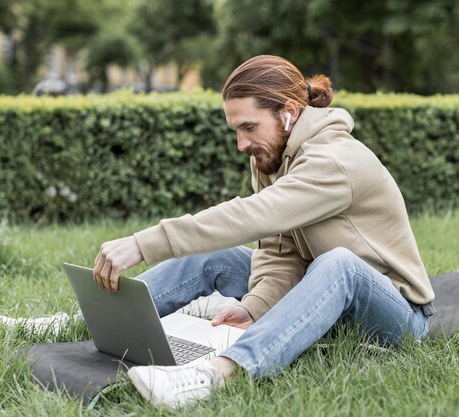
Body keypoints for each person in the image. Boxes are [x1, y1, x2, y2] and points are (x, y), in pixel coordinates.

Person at [92, 55, 435, 409]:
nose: (242, 144)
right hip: (318, 289)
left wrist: (144, 243)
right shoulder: (272, 155)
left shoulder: (334, 161)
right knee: (217, 255)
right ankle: (88, 318)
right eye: (236, 131)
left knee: (339, 264)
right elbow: (279, 250)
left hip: (395, 316)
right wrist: (256, 307)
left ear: (288, 112)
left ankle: (217, 375)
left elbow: (253, 215)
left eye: (249, 127)